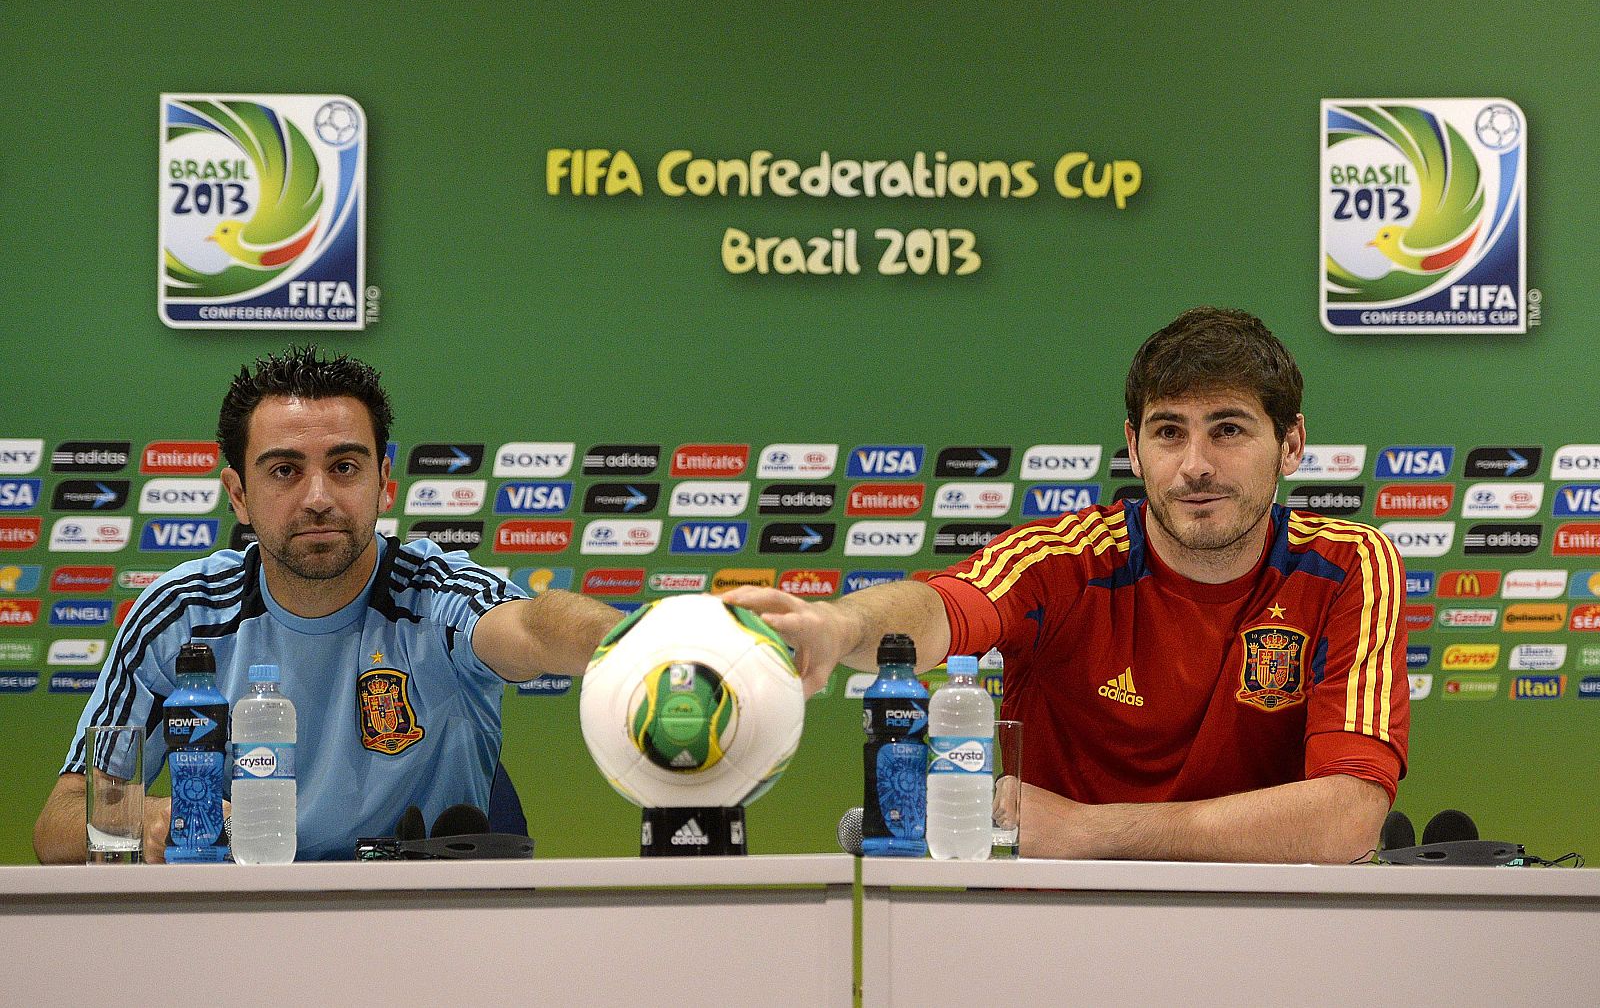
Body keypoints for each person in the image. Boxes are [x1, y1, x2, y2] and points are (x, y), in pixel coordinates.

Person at [725, 307, 1409, 864]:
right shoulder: (1063, 560)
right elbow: (936, 609)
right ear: (1134, 446)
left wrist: (1091, 832)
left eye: (1228, 429)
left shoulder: (1350, 566)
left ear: (1291, 444)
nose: (1195, 465)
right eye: (1168, 432)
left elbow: (1346, 820)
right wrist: (838, 627)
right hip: (1058, 932)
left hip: (1276, 935)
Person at [33, 346, 622, 862]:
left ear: (384, 481)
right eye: (285, 470)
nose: (318, 498)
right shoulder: (181, 616)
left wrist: (655, 641)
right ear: (238, 494)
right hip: (242, 938)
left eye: (344, 467)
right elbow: (58, 822)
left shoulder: (439, 595)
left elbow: (537, 628)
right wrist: (148, 818)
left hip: (432, 934)